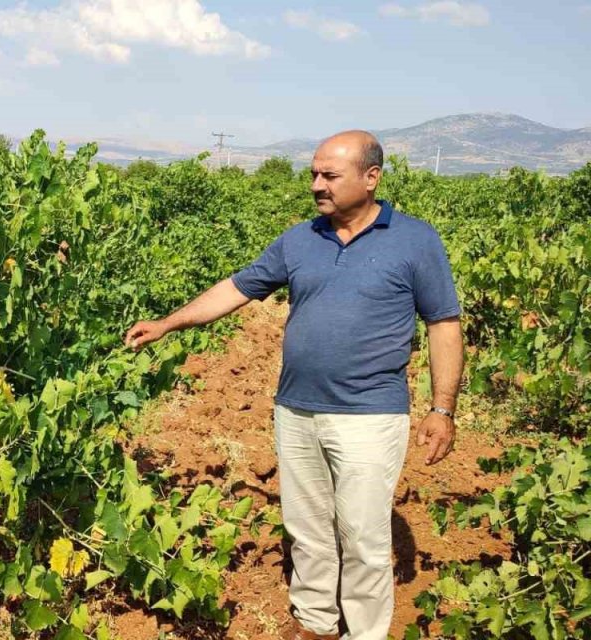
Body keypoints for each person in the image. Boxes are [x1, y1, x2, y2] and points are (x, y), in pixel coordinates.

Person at [123, 131, 463, 640]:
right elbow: (238, 287)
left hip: (370, 413)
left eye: (330, 175)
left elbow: (443, 323)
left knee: (363, 533)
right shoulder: (300, 239)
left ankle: (365, 633)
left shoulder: (415, 240)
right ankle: (316, 623)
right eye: (313, 174)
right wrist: (170, 323)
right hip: (297, 409)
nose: (316, 186)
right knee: (307, 527)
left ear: (372, 179)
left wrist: (443, 409)